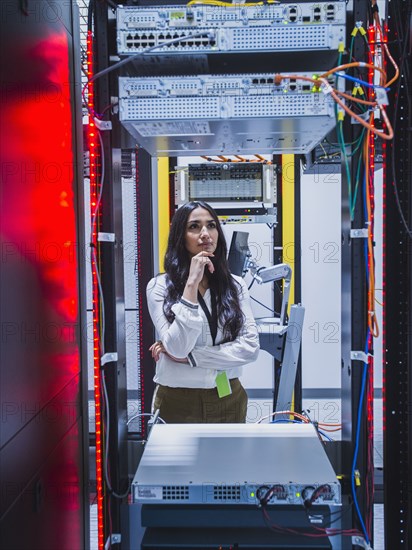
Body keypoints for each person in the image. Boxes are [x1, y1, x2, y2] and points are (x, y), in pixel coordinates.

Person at [146, 200, 260, 423]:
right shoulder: (159, 286)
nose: (206, 234)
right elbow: (178, 347)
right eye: (194, 227)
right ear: (180, 236)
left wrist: (191, 358)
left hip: (228, 396)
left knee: (229, 459)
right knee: (174, 460)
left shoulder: (235, 286)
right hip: (177, 399)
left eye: (211, 225)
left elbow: (250, 348)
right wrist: (191, 284)